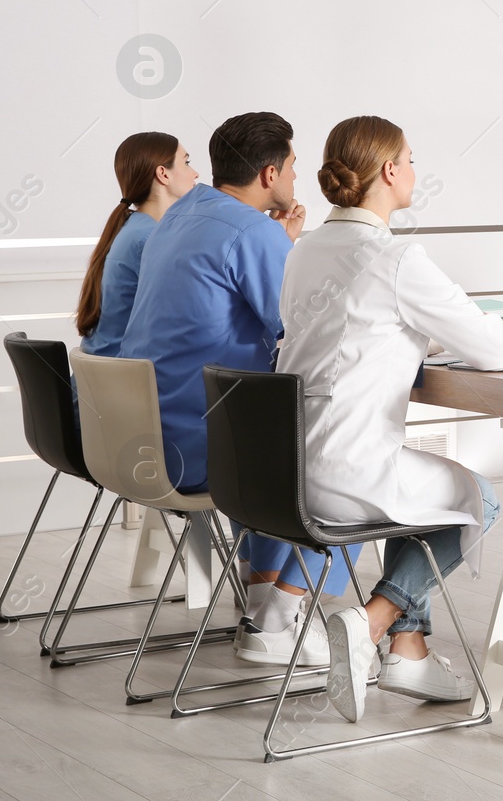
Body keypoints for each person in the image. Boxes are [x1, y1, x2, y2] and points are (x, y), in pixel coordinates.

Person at [283, 116, 503, 722]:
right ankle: (370, 622)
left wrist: (413, 337)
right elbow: (500, 352)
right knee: (480, 499)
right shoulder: (396, 258)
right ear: (390, 172)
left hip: (283, 473)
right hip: (349, 474)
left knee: (417, 495)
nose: (415, 171)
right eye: (411, 160)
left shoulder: (303, 249)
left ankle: (409, 652)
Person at [119, 112, 345, 667]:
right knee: (341, 472)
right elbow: (298, 328)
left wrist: (276, 242)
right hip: (199, 448)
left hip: (142, 434)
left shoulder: (179, 214)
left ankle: (267, 600)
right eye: (293, 165)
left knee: (270, 435)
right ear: (270, 174)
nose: (297, 176)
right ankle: (280, 617)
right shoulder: (252, 232)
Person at [76, 133, 198, 356]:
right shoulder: (151, 238)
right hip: (122, 382)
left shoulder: (133, 227)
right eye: (187, 162)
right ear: (163, 174)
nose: (195, 173)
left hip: (99, 378)